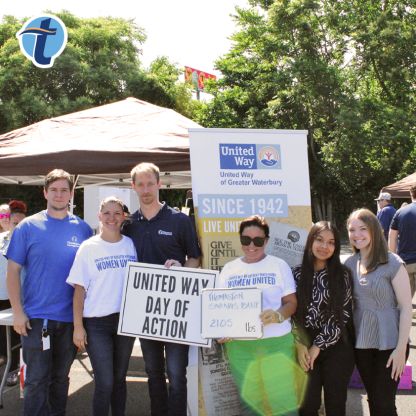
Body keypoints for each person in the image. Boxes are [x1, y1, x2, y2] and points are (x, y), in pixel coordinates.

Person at [6, 169, 93, 416]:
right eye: (53, 189)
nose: (58, 194)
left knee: (61, 379)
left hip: (69, 321)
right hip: (36, 319)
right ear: (44, 192)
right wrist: (17, 312)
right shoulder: (27, 227)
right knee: (35, 381)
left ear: (71, 194)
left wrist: (81, 323)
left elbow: (87, 278)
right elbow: (12, 272)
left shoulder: (84, 230)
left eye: (64, 189)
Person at [122, 162, 201, 416]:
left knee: (177, 374)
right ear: (133, 186)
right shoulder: (128, 225)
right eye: (140, 184)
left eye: (150, 183)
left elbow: (195, 257)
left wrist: (180, 268)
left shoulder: (179, 220)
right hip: (144, 312)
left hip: (175, 312)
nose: (146, 189)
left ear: (159, 184)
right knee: (153, 372)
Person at [217, 215, 300, 416]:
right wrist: (221, 331)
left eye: (258, 240)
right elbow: (219, 308)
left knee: (283, 403)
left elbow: (291, 303)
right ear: (240, 240)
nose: (251, 245)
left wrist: (278, 315)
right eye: (246, 240)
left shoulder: (279, 265)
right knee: (250, 405)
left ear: (267, 241)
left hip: (277, 344)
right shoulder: (229, 270)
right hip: (240, 347)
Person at [67, 196, 137, 416]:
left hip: (125, 321)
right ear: (99, 216)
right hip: (96, 323)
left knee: (119, 379)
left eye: (117, 213)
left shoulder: (129, 244)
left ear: (123, 217)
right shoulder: (88, 248)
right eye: (106, 213)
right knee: (105, 381)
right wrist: (78, 326)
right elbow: (79, 290)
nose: (111, 218)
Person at [345, 208, 412, 416]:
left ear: (374, 229)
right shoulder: (348, 264)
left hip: (391, 344)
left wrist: (401, 349)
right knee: (374, 398)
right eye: (352, 230)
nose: (357, 235)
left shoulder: (392, 262)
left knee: (384, 403)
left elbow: (406, 307)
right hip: (362, 344)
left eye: (362, 229)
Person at [292, 221, 354, 416]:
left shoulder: (343, 274)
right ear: (310, 241)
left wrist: (317, 346)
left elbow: (342, 314)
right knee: (307, 404)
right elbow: (290, 313)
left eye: (331, 242)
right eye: (319, 240)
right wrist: (300, 343)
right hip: (304, 343)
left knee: (335, 404)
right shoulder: (296, 274)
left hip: (336, 344)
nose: (324, 246)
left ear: (335, 247)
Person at [0, 200, 27, 386]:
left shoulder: (28, 241)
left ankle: (14, 368)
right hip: (1, 294)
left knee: (17, 335)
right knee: (3, 335)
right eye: (13, 222)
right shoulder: (2, 239)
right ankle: (7, 362)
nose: (16, 225)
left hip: (18, 296)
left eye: (20, 223)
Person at [389, 183, 416, 298]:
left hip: (406, 262)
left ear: (411, 195)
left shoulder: (400, 212)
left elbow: (392, 237)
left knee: (404, 302)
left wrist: (393, 259)